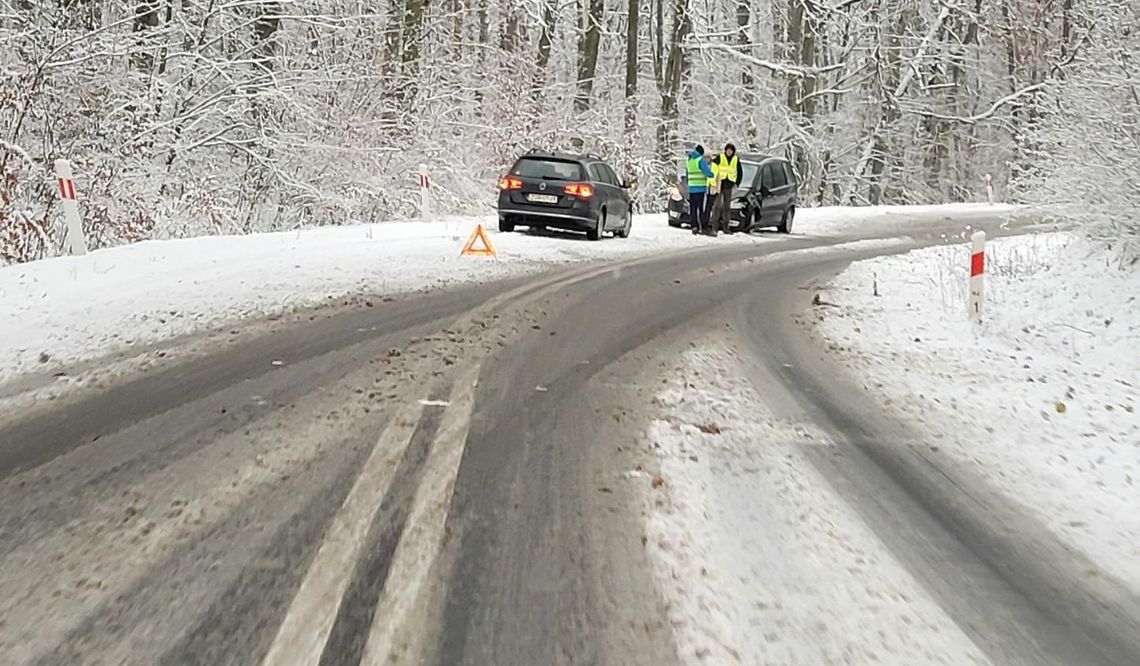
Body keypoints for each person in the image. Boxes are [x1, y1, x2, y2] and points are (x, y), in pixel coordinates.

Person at [708, 143, 743, 235]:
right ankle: (714, 225)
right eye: (728, 150)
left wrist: (737, 183)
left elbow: (739, 171)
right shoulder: (720, 157)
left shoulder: (735, 159)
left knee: (727, 207)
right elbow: (713, 167)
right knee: (717, 205)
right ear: (725, 150)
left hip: (729, 184)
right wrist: (713, 181)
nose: (729, 152)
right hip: (720, 183)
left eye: (731, 151)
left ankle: (726, 226)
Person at [684, 145, 715, 235]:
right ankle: (704, 226)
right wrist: (712, 174)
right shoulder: (700, 160)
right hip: (700, 188)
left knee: (693, 208)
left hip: (691, 188)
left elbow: (687, 174)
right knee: (702, 208)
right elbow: (707, 172)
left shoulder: (689, 160)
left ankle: (694, 226)